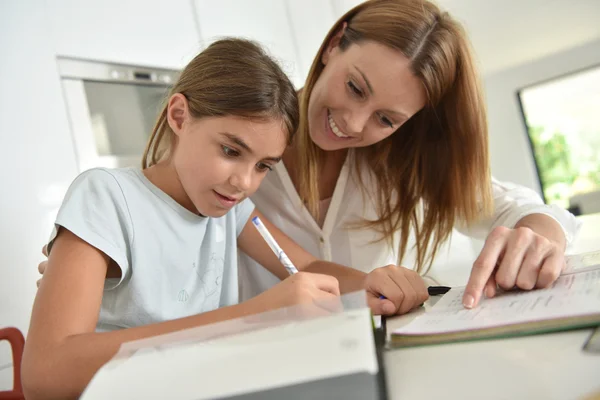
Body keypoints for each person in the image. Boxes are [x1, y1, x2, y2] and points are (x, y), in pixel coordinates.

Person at [23, 38, 428, 400]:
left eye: (264, 166)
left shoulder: (230, 212)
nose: (244, 183)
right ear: (180, 117)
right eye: (232, 151)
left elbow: (307, 266)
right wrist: (255, 316)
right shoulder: (106, 197)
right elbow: (45, 374)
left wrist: (372, 283)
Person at [238, 0, 581, 309]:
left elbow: (515, 206)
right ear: (333, 45)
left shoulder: (400, 162)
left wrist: (541, 236)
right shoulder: (233, 145)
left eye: (386, 119)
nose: (353, 124)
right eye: (355, 88)